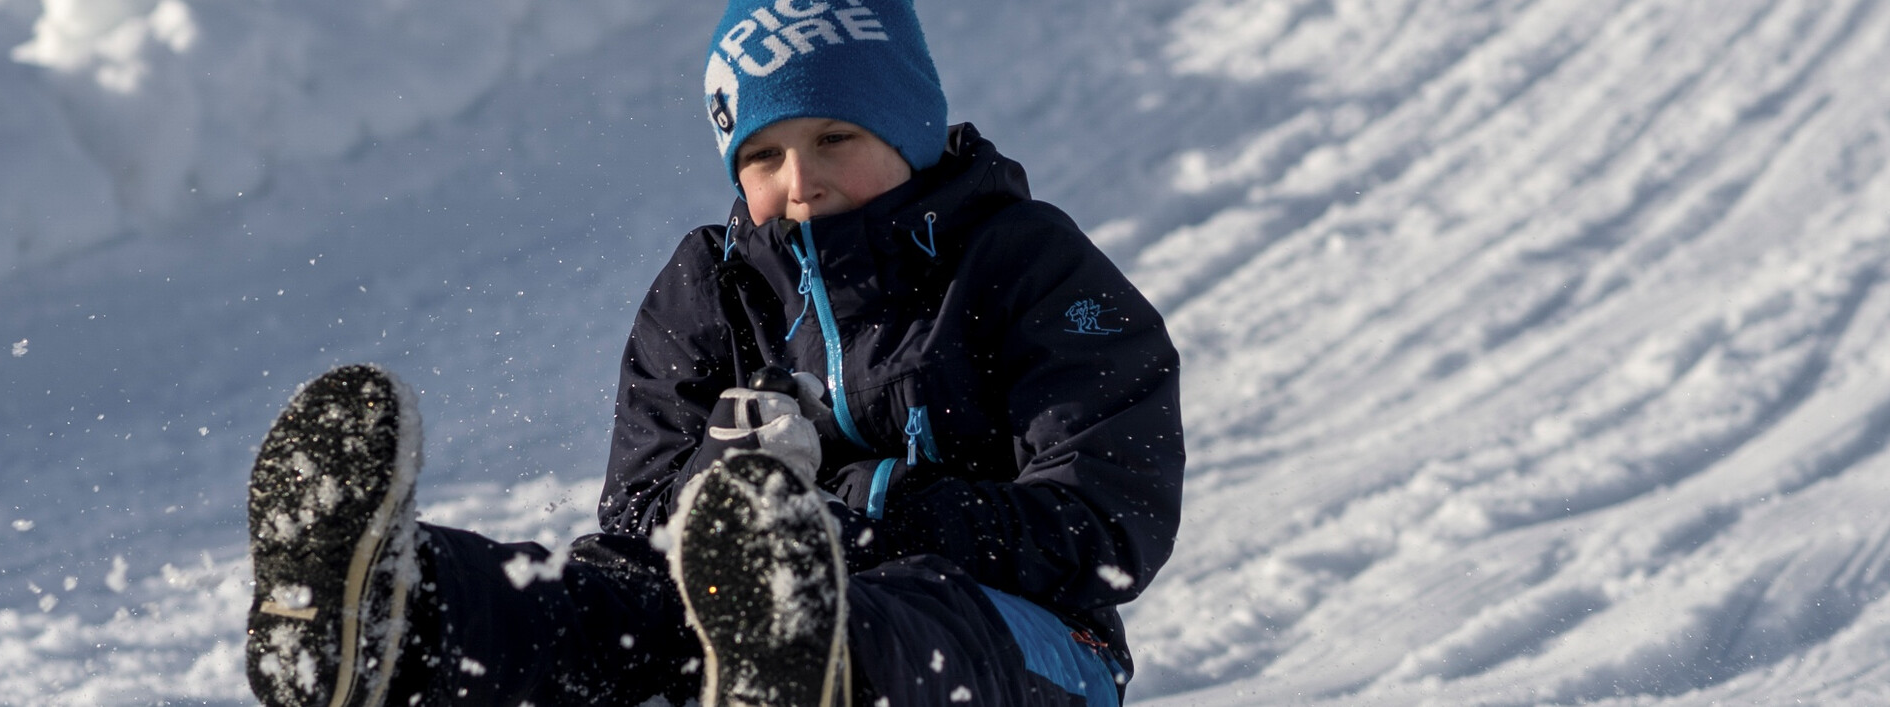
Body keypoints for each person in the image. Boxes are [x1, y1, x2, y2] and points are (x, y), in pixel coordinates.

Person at [241, 1, 1183, 705]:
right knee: (619, 598)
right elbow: (638, 513)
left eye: (835, 136)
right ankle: (393, 615)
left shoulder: (1026, 265)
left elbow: (1105, 526)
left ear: (912, 130)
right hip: (738, 610)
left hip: (1030, 645)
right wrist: (726, 485)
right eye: (763, 155)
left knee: (907, 614)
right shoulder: (711, 284)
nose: (800, 180)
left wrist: (860, 512)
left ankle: (804, 655)